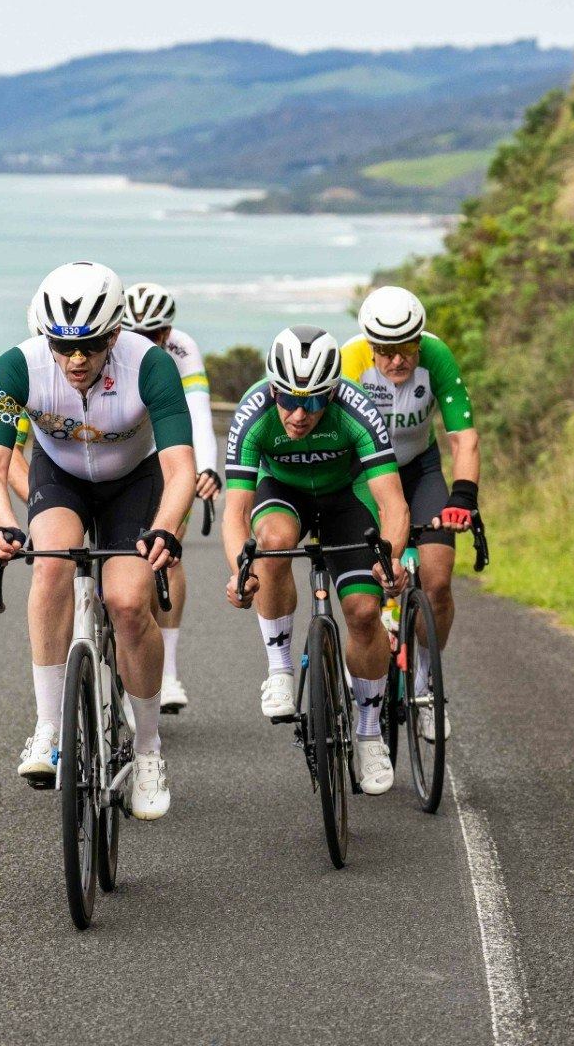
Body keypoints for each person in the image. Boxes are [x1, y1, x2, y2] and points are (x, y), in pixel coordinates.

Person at [0, 261, 195, 820]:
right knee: (49, 566)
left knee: (126, 602)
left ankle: (147, 751)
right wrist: (2, 523)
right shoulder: (16, 367)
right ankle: (49, 726)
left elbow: (179, 467)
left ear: (115, 334)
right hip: (62, 478)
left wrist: (167, 528)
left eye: (91, 346)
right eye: (63, 346)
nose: (76, 360)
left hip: (134, 483)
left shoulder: (150, 365)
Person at [220, 325, 408, 795]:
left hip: (347, 497)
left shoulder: (356, 409)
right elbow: (236, 513)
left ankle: (368, 733)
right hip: (284, 493)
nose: (299, 413)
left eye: (313, 401)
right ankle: (280, 668)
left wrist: (392, 559)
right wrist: (240, 572)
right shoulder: (254, 412)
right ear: (273, 389)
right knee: (273, 541)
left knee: (365, 611)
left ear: (332, 392)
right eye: (288, 399)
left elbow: (394, 505)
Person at [339, 286, 480, 741]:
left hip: (420, 469)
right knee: (376, 575)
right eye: (385, 351)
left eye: (405, 349)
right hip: (364, 474)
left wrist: (462, 497)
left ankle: (426, 684)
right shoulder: (349, 359)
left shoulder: (436, 354)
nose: (396, 361)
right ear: (369, 344)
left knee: (437, 579)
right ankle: (367, 666)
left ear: (419, 341)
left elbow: (463, 438)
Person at [119, 282, 220, 712]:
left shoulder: (182, 349)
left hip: (167, 450)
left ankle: (169, 672)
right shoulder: (114, 349)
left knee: (169, 553)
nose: (150, 343)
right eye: (139, 335)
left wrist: (208, 466)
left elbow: (197, 409)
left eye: (158, 334)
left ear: (169, 332)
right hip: (121, 451)